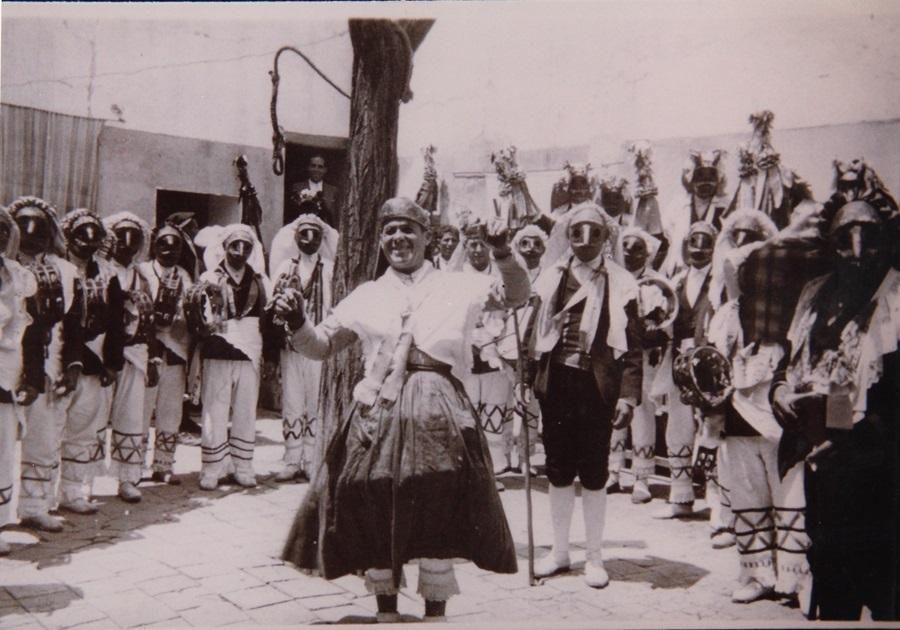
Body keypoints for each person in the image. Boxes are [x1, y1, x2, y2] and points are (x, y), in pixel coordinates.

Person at [278, 197, 526, 622]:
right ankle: (386, 611)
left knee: (438, 496)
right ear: (380, 241)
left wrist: (503, 250)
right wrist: (297, 321)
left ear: (427, 237)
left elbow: (516, 296)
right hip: (378, 412)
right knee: (370, 494)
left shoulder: (458, 285)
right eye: (390, 231)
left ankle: (434, 612)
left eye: (408, 229)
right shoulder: (367, 295)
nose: (398, 238)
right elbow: (320, 346)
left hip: (439, 412)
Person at [773, 200, 899, 620]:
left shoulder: (896, 298)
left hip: (879, 469)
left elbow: (890, 398)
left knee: (884, 590)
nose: (858, 251)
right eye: (845, 239)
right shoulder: (815, 294)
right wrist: (778, 391)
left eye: (869, 237)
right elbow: (788, 363)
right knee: (832, 582)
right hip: (822, 464)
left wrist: (837, 423)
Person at [529, 203, 642, 588]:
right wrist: (524, 382)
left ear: (606, 236)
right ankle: (560, 552)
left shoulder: (621, 283)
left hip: (597, 388)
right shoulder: (550, 279)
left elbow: (633, 345)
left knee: (595, 472)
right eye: (577, 232)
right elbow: (533, 336)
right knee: (558, 468)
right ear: (568, 235)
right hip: (557, 385)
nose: (585, 241)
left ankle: (594, 557)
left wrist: (627, 396)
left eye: (594, 232)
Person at [706, 209, 808, 603]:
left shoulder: (795, 310)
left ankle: (795, 576)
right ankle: (756, 574)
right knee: (747, 493)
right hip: (737, 417)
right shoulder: (727, 316)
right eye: (738, 238)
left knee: (788, 493)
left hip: (781, 417)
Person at [10, 197, 82, 533]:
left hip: (47, 361)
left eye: (40, 228)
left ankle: (35, 506)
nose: (31, 234)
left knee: (42, 436)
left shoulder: (65, 272)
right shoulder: (4, 266)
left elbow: (73, 325)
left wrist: (71, 365)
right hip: (6, 363)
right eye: (23, 225)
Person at [193, 224, 270, 491]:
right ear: (223, 248)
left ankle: (243, 465)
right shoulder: (210, 277)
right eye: (234, 246)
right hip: (218, 350)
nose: (240, 251)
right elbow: (200, 318)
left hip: (249, 352)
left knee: (246, 410)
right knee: (215, 409)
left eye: (245, 247)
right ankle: (213, 467)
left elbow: (267, 320)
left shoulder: (260, 281)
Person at [59, 209, 125, 513]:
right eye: (80, 238)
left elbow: (115, 321)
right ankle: (38, 499)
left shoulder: (108, 274)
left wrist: (111, 362)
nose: (86, 245)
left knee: (83, 427)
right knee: (49, 428)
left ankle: (73, 491)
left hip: (95, 357)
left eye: (92, 239)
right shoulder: (56, 269)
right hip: (58, 357)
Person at [265, 213, 336, 483]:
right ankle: (292, 459)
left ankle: (312, 458)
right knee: (293, 399)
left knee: (315, 400)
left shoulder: (328, 268)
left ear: (322, 239)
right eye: (303, 234)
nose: (309, 240)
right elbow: (273, 305)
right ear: (296, 238)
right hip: (290, 344)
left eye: (315, 235)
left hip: (317, 341)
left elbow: (332, 305)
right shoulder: (285, 266)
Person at [655, 221, 719, 520]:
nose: (699, 248)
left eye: (706, 243)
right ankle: (680, 496)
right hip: (680, 362)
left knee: (712, 428)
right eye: (694, 241)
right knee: (678, 426)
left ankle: (720, 507)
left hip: (711, 363)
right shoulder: (676, 282)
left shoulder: (720, 281)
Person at [607, 226, 668, 505]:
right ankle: (613, 470)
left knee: (642, 412)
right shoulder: (611, 278)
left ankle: (642, 478)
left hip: (643, 357)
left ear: (649, 253)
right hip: (614, 354)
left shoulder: (656, 284)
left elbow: (664, 323)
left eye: (638, 248)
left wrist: (653, 336)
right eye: (626, 247)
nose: (630, 253)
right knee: (613, 410)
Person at [102, 212, 159, 503]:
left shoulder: (143, 276)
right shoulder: (101, 271)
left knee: (131, 414)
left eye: (133, 238)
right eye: (121, 237)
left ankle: (127, 478)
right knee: (94, 416)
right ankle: (79, 483)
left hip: (135, 352)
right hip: (101, 354)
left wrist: (151, 358)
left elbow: (150, 322)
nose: (127, 244)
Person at [460, 222, 517, 483]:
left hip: (495, 351)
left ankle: (495, 469)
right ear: (466, 247)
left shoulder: (499, 276)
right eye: (472, 244)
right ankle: (471, 468)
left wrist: (495, 337)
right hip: (467, 353)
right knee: (469, 408)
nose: (477, 250)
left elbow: (510, 310)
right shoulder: (457, 277)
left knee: (493, 408)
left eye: (482, 244)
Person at [140, 224, 194, 485]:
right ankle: (133, 466)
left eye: (175, 246)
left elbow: (189, 313)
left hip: (175, 351)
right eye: (164, 244)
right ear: (154, 246)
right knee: (140, 410)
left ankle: (163, 465)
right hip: (147, 352)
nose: (169, 250)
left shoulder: (184, 275)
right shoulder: (143, 272)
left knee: (170, 411)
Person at [0, 208, 39, 554]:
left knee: (1, 448)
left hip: (7, 374)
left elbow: (31, 332)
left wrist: (29, 376)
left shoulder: (18, 276)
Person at [662, 150, 730, 276]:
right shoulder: (678, 205)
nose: (706, 183)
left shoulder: (726, 205)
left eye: (711, 178)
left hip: (714, 271)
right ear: (690, 180)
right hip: (681, 268)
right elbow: (670, 236)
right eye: (700, 178)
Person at [287, 155, 339, 227]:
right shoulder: (298, 187)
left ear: (325, 170)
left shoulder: (333, 190)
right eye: (313, 166)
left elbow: (335, 216)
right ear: (308, 167)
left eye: (320, 167)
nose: (316, 169)